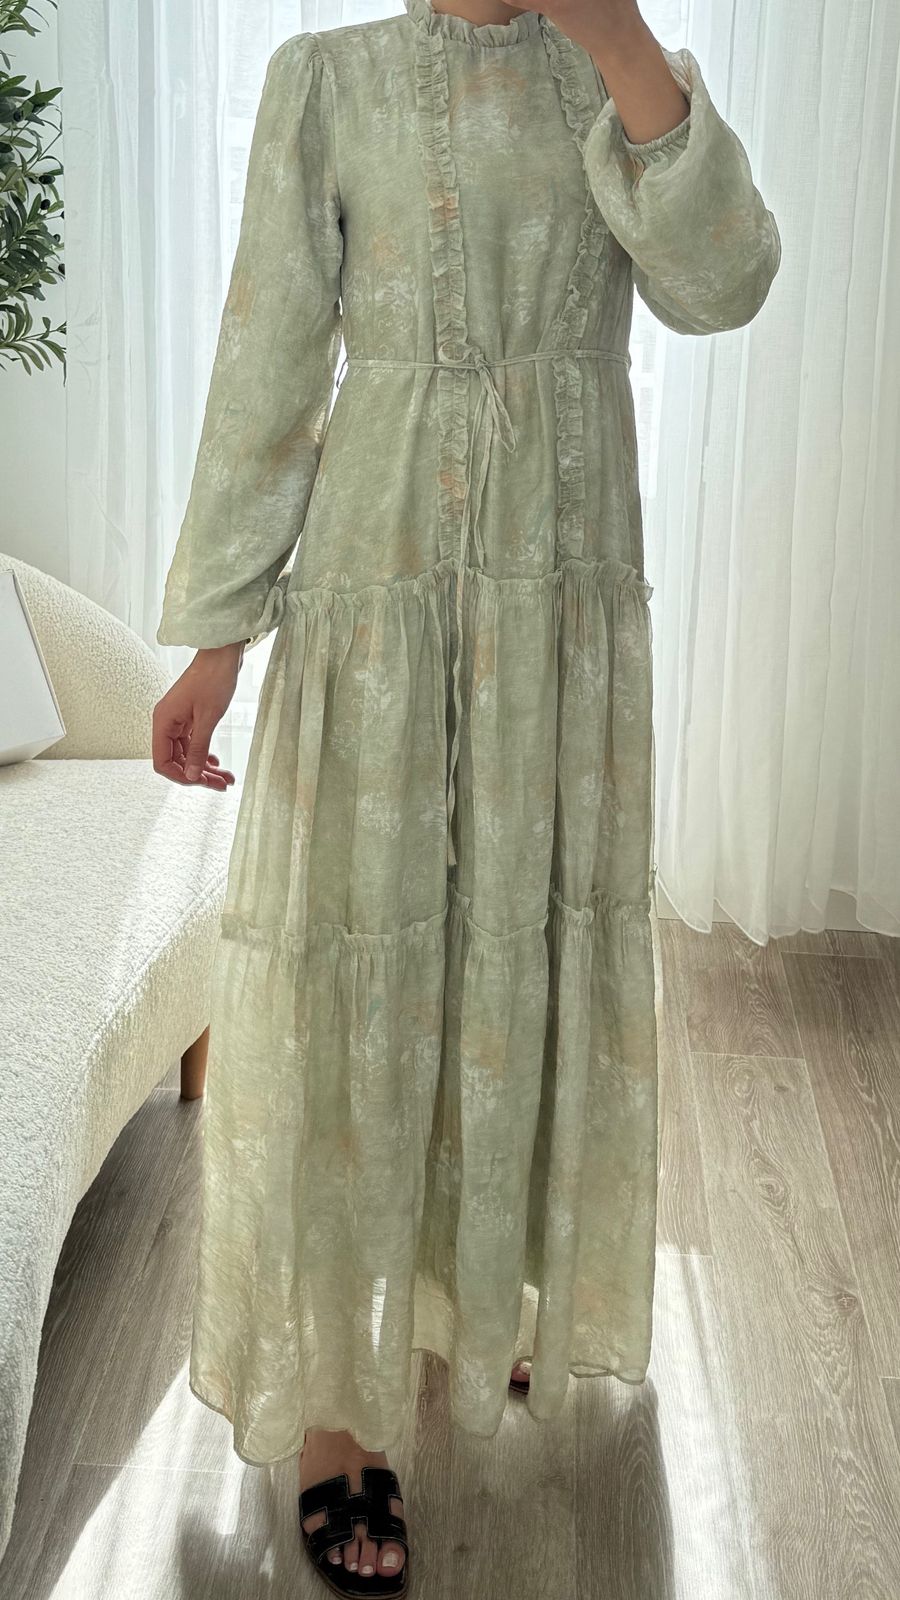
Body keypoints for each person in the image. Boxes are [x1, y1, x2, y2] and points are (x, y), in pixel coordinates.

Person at [152, 0, 781, 1592]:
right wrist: (219, 638)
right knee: (364, 969)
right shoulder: (328, 80)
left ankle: (483, 1284)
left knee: (518, 959)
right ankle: (336, 1413)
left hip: (560, 600)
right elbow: (270, 363)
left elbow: (726, 285)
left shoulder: (614, 71)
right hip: (379, 589)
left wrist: (620, 38)